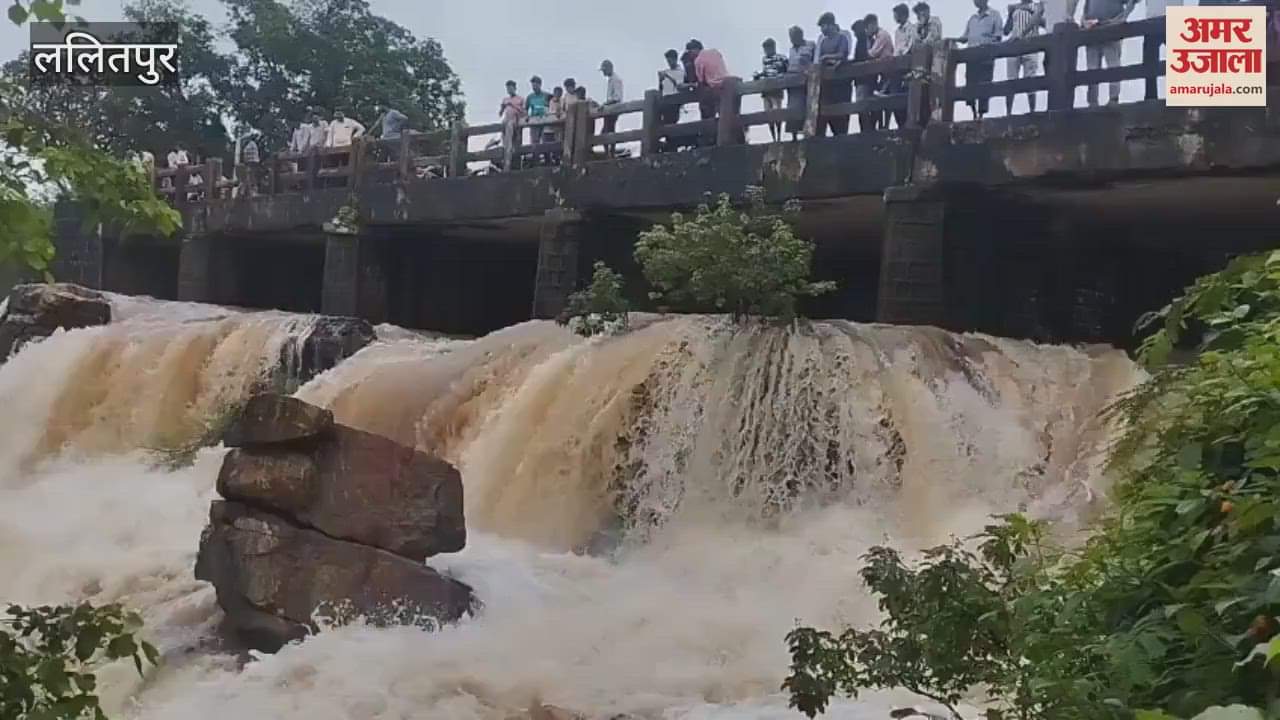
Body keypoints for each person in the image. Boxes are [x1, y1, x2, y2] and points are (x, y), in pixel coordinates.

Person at [1081, 0, 1134, 106]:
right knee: (1092, 69)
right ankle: (1092, 102)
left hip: (1112, 28)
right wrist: (1083, 21)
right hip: (1092, 29)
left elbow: (1132, 2)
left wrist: (1122, 18)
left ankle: (1113, 100)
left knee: (1113, 66)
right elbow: (1087, 5)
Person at [957, 0, 1004, 118]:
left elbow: (998, 36)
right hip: (971, 55)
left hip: (985, 55)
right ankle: (973, 113)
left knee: (984, 83)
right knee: (971, 83)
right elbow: (965, 37)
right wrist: (953, 40)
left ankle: (981, 115)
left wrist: (988, 46)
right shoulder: (972, 18)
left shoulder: (995, 15)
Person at [1004, 0, 1045, 114]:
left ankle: (1032, 111)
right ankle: (1008, 113)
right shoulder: (1014, 8)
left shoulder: (1037, 6)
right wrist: (1009, 14)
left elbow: (1044, 23)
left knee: (1030, 79)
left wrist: (1031, 10)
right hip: (1014, 47)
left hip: (1031, 45)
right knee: (1011, 80)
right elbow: (1006, 31)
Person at [688, 39, 731, 145]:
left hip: (714, 88)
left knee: (707, 113)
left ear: (694, 50)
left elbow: (701, 80)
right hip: (727, 84)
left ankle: (711, 140)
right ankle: (730, 139)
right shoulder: (715, 51)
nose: (690, 55)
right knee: (727, 115)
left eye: (690, 52)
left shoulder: (698, 60)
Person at [816, 13, 852, 136]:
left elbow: (842, 55)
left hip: (841, 84)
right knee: (827, 113)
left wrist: (827, 57)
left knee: (841, 116)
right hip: (828, 85)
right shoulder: (823, 42)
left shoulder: (842, 38)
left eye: (823, 26)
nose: (822, 29)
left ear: (830, 25)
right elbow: (820, 59)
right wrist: (828, 60)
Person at [864, 14, 894, 130]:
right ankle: (882, 126)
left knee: (884, 99)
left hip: (888, 71)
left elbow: (872, 53)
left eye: (868, 27)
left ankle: (884, 126)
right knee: (882, 99)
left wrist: (865, 42)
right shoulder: (879, 36)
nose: (867, 30)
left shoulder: (882, 36)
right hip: (884, 72)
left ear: (873, 24)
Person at [786, 26, 816, 139]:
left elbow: (815, 60)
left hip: (806, 81)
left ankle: (807, 133)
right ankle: (793, 136)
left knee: (807, 107)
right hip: (793, 81)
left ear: (800, 35)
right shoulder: (791, 50)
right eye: (791, 37)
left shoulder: (810, 45)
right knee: (792, 108)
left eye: (794, 36)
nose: (792, 39)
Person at [889, 4, 916, 129]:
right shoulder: (897, 31)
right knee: (895, 94)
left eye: (896, 15)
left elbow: (910, 45)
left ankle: (907, 123)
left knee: (907, 95)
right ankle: (901, 123)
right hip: (897, 64)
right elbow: (896, 48)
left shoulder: (911, 28)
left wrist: (901, 56)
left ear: (903, 15)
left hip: (908, 64)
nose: (895, 17)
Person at [756, 38, 789, 141]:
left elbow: (787, 71)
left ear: (773, 47)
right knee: (768, 114)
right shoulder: (765, 59)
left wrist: (781, 79)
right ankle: (773, 138)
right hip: (766, 89)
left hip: (777, 88)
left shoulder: (782, 58)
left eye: (768, 48)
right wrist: (758, 75)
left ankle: (778, 137)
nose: (766, 50)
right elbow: (765, 71)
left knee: (777, 113)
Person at [658, 49, 686, 150]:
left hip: (675, 102)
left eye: (670, 60)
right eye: (667, 60)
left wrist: (667, 76)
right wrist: (661, 80)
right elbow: (661, 89)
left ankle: (673, 147)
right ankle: (669, 146)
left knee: (672, 124)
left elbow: (679, 86)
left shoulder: (681, 72)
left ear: (675, 59)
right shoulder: (665, 72)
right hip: (665, 102)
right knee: (664, 124)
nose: (669, 62)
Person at [599, 60, 624, 156]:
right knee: (609, 131)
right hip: (610, 109)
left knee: (607, 131)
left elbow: (617, 97)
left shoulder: (616, 80)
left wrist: (605, 104)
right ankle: (609, 152)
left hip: (613, 109)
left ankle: (610, 153)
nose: (603, 72)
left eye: (604, 70)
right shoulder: (611, 80)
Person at [499, 80, 526, 164]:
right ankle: (506, 153)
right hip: (506, 120)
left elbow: (524, 112)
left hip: (516, 121)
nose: (509, 90)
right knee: (504, 128)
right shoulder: (505, 99)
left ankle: (515, 161)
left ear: (514, 88)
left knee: (516, 143)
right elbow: (500, 113)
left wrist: (512, 105)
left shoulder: (521, 99)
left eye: (511, 88)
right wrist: (502, 107)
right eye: (508, 88)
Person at [526, 76, 552, 149]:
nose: (534, 87)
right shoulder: (530, 97)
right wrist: (527, 116)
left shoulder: (546, 95)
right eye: (533, 85)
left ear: (540, 84)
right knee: (534, 141)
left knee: (545, 141)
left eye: (535, 85)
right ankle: (535, 157)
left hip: (545, 120)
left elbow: (553, 104)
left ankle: (547, 158)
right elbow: (526, 109)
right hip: (534, 120)